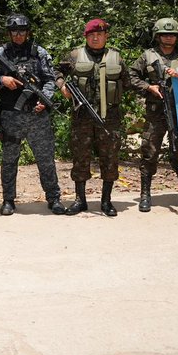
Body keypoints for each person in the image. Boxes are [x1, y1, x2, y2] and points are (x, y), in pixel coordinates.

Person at [0, 14, 65, 216]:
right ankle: (8, 200)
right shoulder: (0, 53)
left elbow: (50, 79)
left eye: (22, 31)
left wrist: (45, 100)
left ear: (28, 32)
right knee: (9, 160)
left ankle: (54, 198)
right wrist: (2, 80)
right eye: (14, 31)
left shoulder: (39, 52)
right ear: (9, 33)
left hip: (37, 116)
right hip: (10, 116)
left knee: (46, 159)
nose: (18, 35)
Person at [56, 19, 129, 217]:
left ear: (106, 36)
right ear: (86, 37)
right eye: (91, 35)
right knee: (80, 158)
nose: (95, 38)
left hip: (109, 118)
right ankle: (80, 200)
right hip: (82, 118)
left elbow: (127, 82)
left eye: (99, 34)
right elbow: (56, 71)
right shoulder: (74, 55)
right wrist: (62, 86)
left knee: (110, 159)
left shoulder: (116, 57)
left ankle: (106, 201)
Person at [129, 18, 178, 212]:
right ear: (157, 36)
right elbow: (131, 76)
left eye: (172, 34)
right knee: (149, 152)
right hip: (155, 112)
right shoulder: (148, 56)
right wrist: (148, 87)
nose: (169, 38)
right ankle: (145, 194)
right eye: (165, 34)